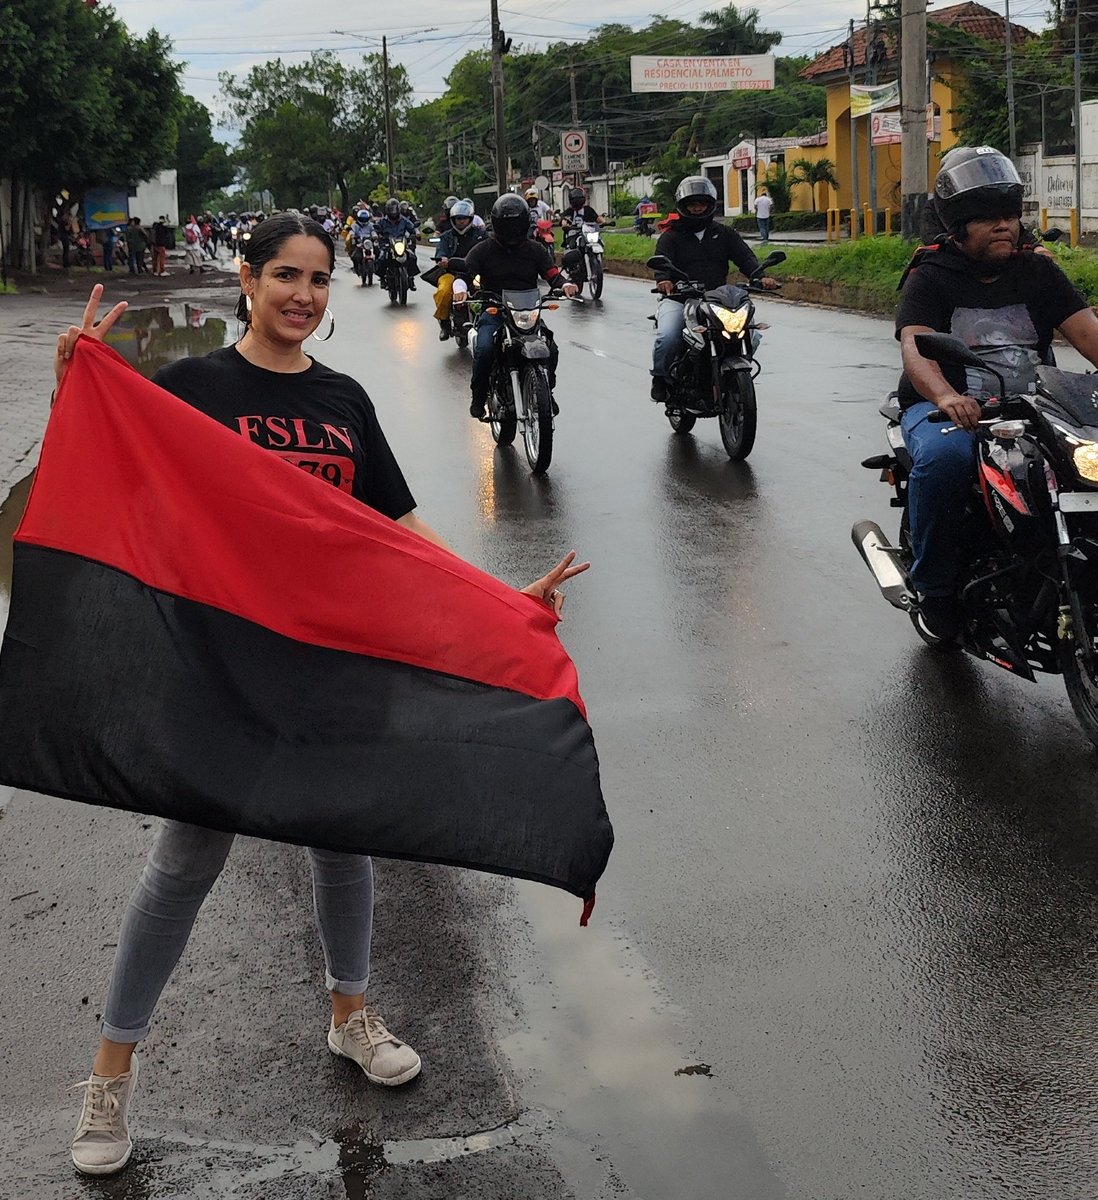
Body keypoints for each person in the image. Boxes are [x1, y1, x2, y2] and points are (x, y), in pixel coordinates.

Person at [56, 214, 589, 1178]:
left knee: (344, 835)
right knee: (185, 860)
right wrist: (76, 381)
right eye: (284, 276)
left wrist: (500, 602)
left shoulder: (343, 399)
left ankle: (351, 1012)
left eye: (318, 279)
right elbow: (115, 466)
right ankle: (110, 1074)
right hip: (222, 664)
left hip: (333, 660)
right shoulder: (196, 387)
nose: (303, 295)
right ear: (249, 280)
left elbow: (398, 526)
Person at [895, 145, 1098, 640]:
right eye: (988, 218)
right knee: (946, 461)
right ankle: (936, 588)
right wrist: (945, 396)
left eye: (1009, 214)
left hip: (1036, 406)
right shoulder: (932, 274)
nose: (1004, 226)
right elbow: (916, 348)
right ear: (959, 227)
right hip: (948, 409)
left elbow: (1088, 332)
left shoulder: (1038, 271)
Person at [649, 176, 779, 403]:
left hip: (719, 300)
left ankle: (727, 375)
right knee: (668, 336)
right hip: (681, 298)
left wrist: (761, 276)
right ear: (683, 206)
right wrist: (664, 280)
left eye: (702, 203)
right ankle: (660, 378)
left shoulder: (725, 233)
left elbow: (745, 258)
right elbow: (661, 263)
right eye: (692, 204)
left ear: (711, 205)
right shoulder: (670, 237)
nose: (697, 208)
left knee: (752, 335)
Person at [462, 192, 578, 419]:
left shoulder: (535, 250)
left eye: (517, 223)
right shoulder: (483, 250)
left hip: (527, 312)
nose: (513, 229)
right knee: (484, 349)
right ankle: (478, 396)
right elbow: (467, 272)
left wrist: (566, 285)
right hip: (495, 310)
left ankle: (546, 391)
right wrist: (462, 288)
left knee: (551, 349)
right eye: (508, 224)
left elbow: (553, 274)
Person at [432, 199, 486, 340]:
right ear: (453, 219)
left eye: (464, 218)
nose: (461, 221)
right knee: (444, 291)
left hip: (478, 273)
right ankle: (444, 323)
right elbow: (441, 252)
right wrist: (443, 260)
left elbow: (491, 249)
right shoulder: (446, 237)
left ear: (470, 219)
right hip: (452, 272)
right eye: (458, 219)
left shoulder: (481, 235)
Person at [375, 198, 420, 290]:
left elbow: (412, 228)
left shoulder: (404, 220)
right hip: (387, 245)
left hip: (401, 244)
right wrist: (377, 235)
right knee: (381, 258)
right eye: (391, 210)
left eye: (395, 209)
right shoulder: (382, 221)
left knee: (412, 257)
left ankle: (411, 278)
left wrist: (416, 233)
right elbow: (375, 229)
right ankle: (383, 278)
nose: (393, 212)